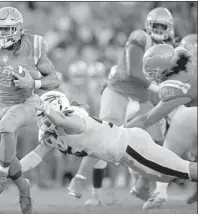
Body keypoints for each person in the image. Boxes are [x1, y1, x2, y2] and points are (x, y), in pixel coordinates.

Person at [68, 7, 175, 205]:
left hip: (142, 97)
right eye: (156, 25)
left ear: (169, 28)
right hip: (119, 91)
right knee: (103, 137)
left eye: (163, 26)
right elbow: (134, 72)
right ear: (149, 25)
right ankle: (81, 179)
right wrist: (158, 89)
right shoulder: (140, 37)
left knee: (157, 141)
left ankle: (142, 185)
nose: (159, 29)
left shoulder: (169, 49)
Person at [19, 91, 197, 197]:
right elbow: (36, 155)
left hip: (131, 147)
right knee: (167, 176)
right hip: (126, 154)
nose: (43, 120)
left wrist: (46, 108)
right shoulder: (56, 131)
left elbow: (68, 123)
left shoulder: (74, 118)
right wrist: (9, 171)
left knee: (184, 170)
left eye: (44, 113)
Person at [0, 7, 59, 214]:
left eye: (7, 29)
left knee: (7, 125)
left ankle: (0, 177)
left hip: (26, 101)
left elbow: (54, 80)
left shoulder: (35, 45)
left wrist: (34, 83)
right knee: (7, 155)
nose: (1, 34)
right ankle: (23, 187)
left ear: (19, 29)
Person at [136, 35, 198, 209]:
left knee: (167, 154)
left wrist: (118, 132)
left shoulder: (174, 84)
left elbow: (149, 118)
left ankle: (159, 191)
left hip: (188, 118)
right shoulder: (186, 63)